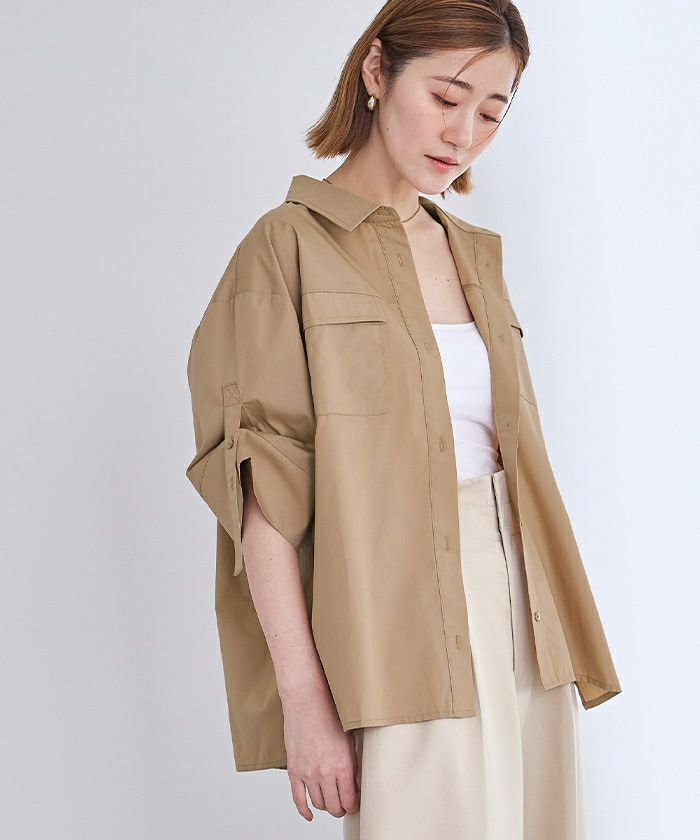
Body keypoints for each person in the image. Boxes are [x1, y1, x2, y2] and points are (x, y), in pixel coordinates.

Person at [185, 1, 622, 837]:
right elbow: (261, 492)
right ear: (377, 71)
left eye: (491, 113)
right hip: (393, 628)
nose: (464, 134)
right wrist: (305, 702)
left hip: (528, 617)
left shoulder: (475, 255)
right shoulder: (286, 247)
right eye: (447, 97)